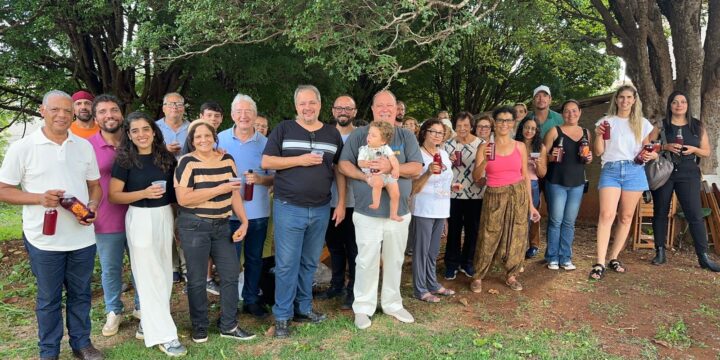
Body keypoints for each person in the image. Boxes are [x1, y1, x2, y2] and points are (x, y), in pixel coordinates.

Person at [0, 90, 104, 360]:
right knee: (49, 299)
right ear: (42, 111)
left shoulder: (83, 146)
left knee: (81, 294)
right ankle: (49, 351)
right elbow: (3, 190)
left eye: (67, 111)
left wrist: (92, 206)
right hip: (43, 239)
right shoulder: (23, 147)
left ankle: (82, 344)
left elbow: (95, 186)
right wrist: (39, 198)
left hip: (82, 237)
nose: (62, 115)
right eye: (55, 110)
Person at [261, 85, 345, 338]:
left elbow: (339, 169)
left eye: (311, 103)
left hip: (320, 208)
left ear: (319, 104)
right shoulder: (284, 129)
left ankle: (303, 308)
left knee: (309, 262)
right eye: (302, 104)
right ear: (296, 106)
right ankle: (283, 315)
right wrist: (300, 159)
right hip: (289, 207)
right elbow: (266, 162)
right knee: (287, 264)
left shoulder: (332, 134)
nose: (307, 108)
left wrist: (340, 203)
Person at [339, 90, 423, 330]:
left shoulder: (406, 136)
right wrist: (364, 177)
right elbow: (344, 164)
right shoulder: (360, 135)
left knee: (395, 259)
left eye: (390, 105)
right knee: (366, 260)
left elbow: (416, 167)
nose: (385, 109)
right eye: (380, 106)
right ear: (373, 109)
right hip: (367, 212)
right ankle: (363, 307)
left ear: (397, 109)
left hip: (399, 213)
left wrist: (390, 167)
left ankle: (392, 303)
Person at [108, 112, 186, 356]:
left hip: (164, 216)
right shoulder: (124, 160)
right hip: (139, 218)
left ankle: (148, 322)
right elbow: (114, 195)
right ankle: (164, 336)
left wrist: (176, 225)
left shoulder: (166, 158)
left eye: (145, 129)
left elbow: (174, 197)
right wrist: (143, 193)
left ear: (154, 131)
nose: (141, 134)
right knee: (148, 273)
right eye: (135, 131)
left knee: (163, 273)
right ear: (129, 135)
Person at [175, 121, 255, 343]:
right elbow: (184, 199)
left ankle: (228, 325)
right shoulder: (186, 162)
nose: (203, 140)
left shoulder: (227, 159)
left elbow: (234, 194)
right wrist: (219, 188)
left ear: (214, 137)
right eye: (198, 136)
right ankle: (199, 327)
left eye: (207, 136)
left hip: (222, 225)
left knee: (230, 275)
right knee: (197, 279)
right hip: (194, 226)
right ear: (191, 140)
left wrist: (244, 221)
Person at [470, 106, 540, 293]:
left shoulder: (520, 146)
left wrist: (531, 206)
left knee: (517, 235)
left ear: (513, 123)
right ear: (494, 123)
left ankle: (511, 274)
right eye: (500, 120)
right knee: (488, 236)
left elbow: (525, 176)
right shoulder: (485, 147)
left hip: (518, 194)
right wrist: (485, 160)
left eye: (508, 120)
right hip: (494, 194)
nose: (504, 124)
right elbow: (476, 177)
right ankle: (478, 275)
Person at [590, 85, 657, 280]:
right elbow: (598, 152)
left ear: (634, 100)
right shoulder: (605, 121)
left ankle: (614, 257)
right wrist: (598, 135)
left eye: (629, 97)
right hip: (610, 169)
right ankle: (599, 262)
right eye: (621, 97)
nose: (625, 101)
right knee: (606, 214)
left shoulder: (642, 123)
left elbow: (648, 149)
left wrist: (650, 155)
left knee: (626, 216)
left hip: (634, 170)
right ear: (616, 100)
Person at [217, 94, 274, 318]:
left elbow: (275, 178)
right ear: (232, 115)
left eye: (248, 111)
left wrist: (260, 180)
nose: (243, 116)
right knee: (229, 263)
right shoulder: (219, 140)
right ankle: (228, 305)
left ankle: (251, 299)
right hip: (227, 212)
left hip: (257, 211)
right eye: (239, 112)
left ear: (254, 114)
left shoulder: (266, 143)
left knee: (254, 258)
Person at [87, 95, 140, 337]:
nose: (110, 115)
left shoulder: (136, 141)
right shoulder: (87, 146)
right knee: (111, 268)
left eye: (114, 110)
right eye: (103, 112)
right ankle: (113, 311)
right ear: (95, 117)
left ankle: (142, 307)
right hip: (107, 218)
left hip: (140, 214)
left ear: (122, 114)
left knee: (141, 265)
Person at [650, 91, 720, 271]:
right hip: (665, 172)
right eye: (675, 102)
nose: (679, 105)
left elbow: (706, 151)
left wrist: (694, 149)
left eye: (682, 102)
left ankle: (703, 257)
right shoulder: (662, 125)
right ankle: (659, 252)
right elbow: (648, 146)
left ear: (687, 105)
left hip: (689, 173)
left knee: (695, 215)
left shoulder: (697, 126)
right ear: (670, 105)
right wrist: (664, 146)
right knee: (660, 212)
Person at [316, 95, 357, 310]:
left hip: (354, 202)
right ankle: (336, 285)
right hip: (327, 201)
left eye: (348, 108)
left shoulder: (361, 136)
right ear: (332, 111)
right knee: (334, 247)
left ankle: (353, 290)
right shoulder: (325, 135)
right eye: (339, 108)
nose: (343, 111)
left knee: (354, 248)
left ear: (355, 112)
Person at [411, 119, 458, 302]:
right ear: (424, 133)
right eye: (434, 131)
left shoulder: (444, 154)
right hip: (423, 208)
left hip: (441, 208)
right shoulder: (418, 155)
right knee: (421, 251)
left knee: (432, 251)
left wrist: (453, 186)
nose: (438, 135)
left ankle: (432, 284)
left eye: (441, 132)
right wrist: (428, 172)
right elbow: (413, 187)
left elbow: (443, 181)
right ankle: (420, 289)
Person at [543, 100, 590, 270]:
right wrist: (550, 156)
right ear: (562, 114)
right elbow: (542, 157)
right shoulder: (554, 132)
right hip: (556, 182)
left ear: (579, 112)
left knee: (569, 222)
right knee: (556, 221)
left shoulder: (586, 133)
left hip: (577, 183)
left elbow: (584, 157)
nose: (571, 114)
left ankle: (565, 257)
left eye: (574, 111)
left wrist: (589, 158)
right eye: (567, 111)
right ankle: (552, 257)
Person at [443, 112, 483, 280]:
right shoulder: (447, 145)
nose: (462, 129)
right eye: (459, 126)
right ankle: (451, 264)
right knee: (454, 229)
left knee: (472, 230)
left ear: (471, 126)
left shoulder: (481, 144)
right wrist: (449, 162)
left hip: (476, 192)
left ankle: (468, 262)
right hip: (454, 192)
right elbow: (441, 169)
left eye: (466, 125)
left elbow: (487, 167)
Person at [156, 92, 190, 283]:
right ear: (164, 107)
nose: (175, 108)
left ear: (183, 107)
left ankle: (187, 265)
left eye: (179, 104)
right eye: (171, 104)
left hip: (186, 179)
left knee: (185, 223)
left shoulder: (191, 127)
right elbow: (145, 151)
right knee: (167, 222)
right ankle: (173, 266)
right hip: (163, 179)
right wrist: (164, 150)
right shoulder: (155, 128)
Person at [514, 118, 548, 259]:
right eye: (527, 127)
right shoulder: (514, 144)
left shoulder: (540, 147)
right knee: (516, 216)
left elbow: (542, 173)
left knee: (532, 215)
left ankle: (533, 245)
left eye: (533, 128)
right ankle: (516, 246)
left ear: (537, 131)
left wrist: (539, 163)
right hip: (515, 183)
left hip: (532, 184)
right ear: (522, 128)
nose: (529, 131)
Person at [358, 121, 402, 221]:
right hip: (374, 174)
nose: (369, 137)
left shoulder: (386, 148)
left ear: (383, 141)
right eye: (369, 134)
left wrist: (396, 169)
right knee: (377, 183)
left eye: (373, 135)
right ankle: (376, 203)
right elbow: (359, 162)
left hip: (387, 175)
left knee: (396, 194)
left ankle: (393, 214)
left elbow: (393, 159)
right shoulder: (364, 149)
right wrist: (365, 163)